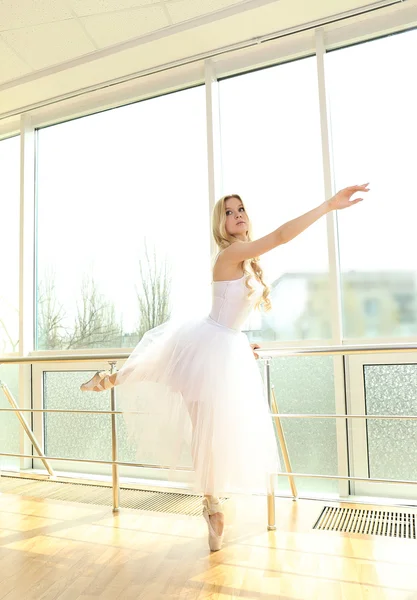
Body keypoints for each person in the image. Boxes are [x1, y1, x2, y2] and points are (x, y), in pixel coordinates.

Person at [80, 184, 369, 551]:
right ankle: (212, 504)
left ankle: (109, 381)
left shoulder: (247, 261)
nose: (237, 215)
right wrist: (328, 205)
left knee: (191, 402)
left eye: (241, 209)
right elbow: (281, 236)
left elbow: (233, 310)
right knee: (183, 396)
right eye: (229, 212)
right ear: (221, 223)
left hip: (225, 343)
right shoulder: (230, 254)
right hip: (210, 341)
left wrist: (239, 343)